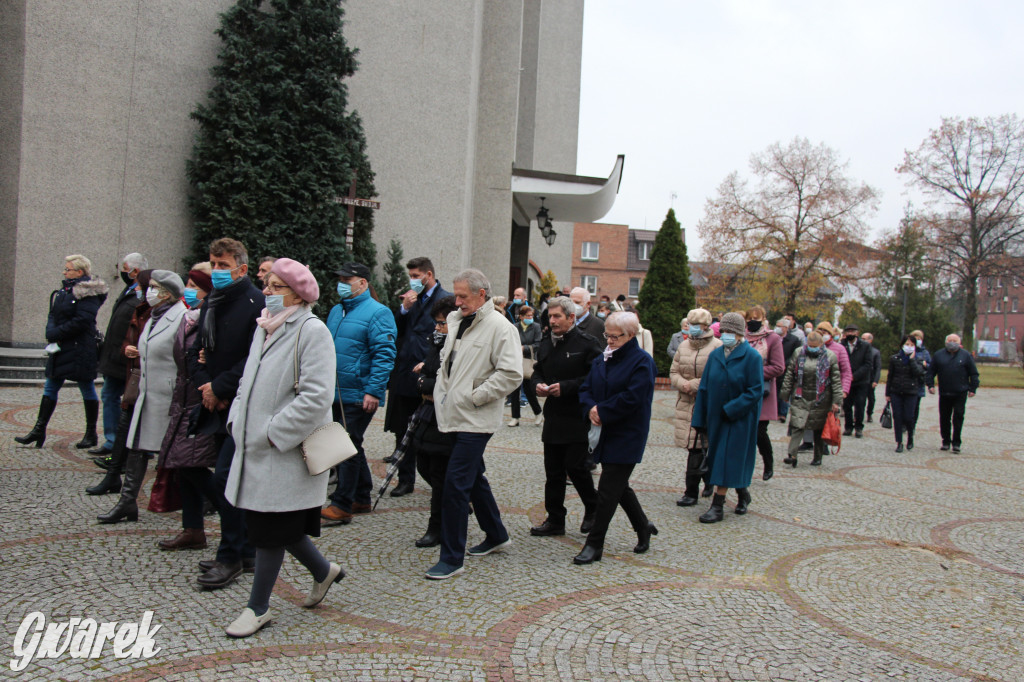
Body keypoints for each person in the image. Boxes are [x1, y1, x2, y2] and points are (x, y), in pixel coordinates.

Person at [222, 258, 344, 638]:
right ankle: (324, 572)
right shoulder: (265, 326)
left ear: (298, 293)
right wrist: (237, 420)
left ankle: (257, 608)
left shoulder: (312, 331)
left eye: (277, 287)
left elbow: (316, 396)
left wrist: (273, 433)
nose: (268, 292)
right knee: (279, 525)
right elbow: (247, 380)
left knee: (268, 530)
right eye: (268, 284)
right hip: (253, 445)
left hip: (283, 451)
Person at [426, 269, 522, 580]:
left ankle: (452, 557)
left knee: (456, 485)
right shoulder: (456, 320)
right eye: (456, 295)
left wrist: (474, 397)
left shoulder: (501, 328)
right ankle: (496, 533)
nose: (457, 301)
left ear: (482, 295)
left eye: (463, 296)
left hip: (475, 418)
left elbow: (510, 374)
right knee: (473, 477)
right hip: (453, 414)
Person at [189, 237, 265, 589]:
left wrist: (220, 388)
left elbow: (253, 357)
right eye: (213, 264)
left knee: (226, 479)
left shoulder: (256, 303)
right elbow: (199, 351)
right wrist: (206, 385)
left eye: (223, 265)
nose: (216, 271)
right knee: (226, 478)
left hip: (240, 402)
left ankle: (230, 555)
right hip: (214, 399)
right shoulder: (213, 302)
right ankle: (245, 548)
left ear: (241, 268)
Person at [98, 271, 187, 523]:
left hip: (169, 397)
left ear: (167, 293)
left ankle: (201, 503)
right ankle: (127, 502)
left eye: (155, 287)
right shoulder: (152, 317)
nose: (148, 291)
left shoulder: (182, 317)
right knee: (136, 447)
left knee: (175, 456)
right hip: (147, 394)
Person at [574, 312, 657, 564]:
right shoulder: (603, 358)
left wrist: (603, 411)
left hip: (626, 433)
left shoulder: (642, 362)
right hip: (602, 429)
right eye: (606, 335)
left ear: (631, 335)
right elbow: (587, 387)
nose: (608, 340)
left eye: (614, 336)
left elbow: (633, 398)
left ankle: (594, 544)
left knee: (608, 490)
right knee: (619, 486)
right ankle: (643, 526)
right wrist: (590, 408)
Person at [321, 262, 397, 524]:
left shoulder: (379, 312)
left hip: (358, 392)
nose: (341, 283)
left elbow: (385, 355)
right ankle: (361, 496)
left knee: (344, 447)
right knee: (351, 444)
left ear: (363, 283)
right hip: (335, 391)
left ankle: (342, 504)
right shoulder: (336, 310)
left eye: (347, 279)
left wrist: (374, 391)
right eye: (339, 278)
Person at [155, 267, 219, 551]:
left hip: (200, 400)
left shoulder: (209, 318)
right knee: (183, 466)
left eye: (194, 285)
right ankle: (192, 529)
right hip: (184, 398)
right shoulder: (189, 318)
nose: (188, 290)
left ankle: (233, 515)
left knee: (191, 466)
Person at [528, 297, 603, 537]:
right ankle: (555, 519)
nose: (552, 320)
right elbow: (537, 371)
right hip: (554, 416)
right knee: (553, 472)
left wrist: (567, 387)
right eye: (550, 316)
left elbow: (597, 378)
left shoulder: (588, 343)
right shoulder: (547, 343)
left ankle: (593, 507)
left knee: (576, 467)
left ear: (571, 317)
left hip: (578, 415)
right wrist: (538, 385)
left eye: (557, 316)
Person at [17, 255, 108, 449]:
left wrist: (56, 332)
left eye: (68, 269)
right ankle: (38, 430)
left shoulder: (88, 291)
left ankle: (91, 434)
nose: (64, 272)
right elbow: (53, 313)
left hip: (80, 348)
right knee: (50, 386)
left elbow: (83, 320)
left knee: (86, 387)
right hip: (61, 347)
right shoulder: (64, 290)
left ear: (80, 272)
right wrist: (50, 332)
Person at [384, 257, 449, 497]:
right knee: (402, 429)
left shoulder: (444, 298)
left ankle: (438, 482)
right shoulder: (410, 298)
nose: (412, 280)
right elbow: (396, 329)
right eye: (410, 276)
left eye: (415, 276)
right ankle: (405, 478)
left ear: (428, 275)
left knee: (426, 430)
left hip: (428, 371)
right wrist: (404, 309)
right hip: (405, 370)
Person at [691, 312, 764, 523]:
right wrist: (699, 419)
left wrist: (732, 409)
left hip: (739, 419)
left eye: (731, 331)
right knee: (723, 458)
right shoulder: (715, 356)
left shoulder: (752, 358)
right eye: (724, 331)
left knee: (727, 458)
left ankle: (717, 506)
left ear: (740, 334)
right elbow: (704, 388)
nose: (726, 335)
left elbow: (755, 390)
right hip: (716, 418)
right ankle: (743, 492)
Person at [86, 270, 154, 492]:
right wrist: (126, 349)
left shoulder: (157, 310)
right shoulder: (138, 304)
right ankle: (116, 472)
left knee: (135, 425)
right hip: (129, 367)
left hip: (147, 377)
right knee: (126, 416)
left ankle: (120, 471)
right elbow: (126, 334)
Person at [409, 296, 460, 548]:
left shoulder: (458, 345)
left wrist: (427, 383)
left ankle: (437, 527)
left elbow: (445, 382)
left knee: (440, 474)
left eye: (442, 324)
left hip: (447, 417)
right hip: (428, 413)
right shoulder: (436, 341)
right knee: (424, 465)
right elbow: (428, 375)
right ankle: (461, 500)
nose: (437, 329)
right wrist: (424, 383)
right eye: (436, 324)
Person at [91, 252, 147, 457]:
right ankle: (113, 440)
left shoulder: (143, 293)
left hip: (128, 358)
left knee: (129, 400)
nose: (122, 272)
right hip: (115, 355)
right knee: (110, 395)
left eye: (125, 268)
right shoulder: (130, 289)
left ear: (136, 271)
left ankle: (127, 442)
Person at [670, 308, 722, 506]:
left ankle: (700, 487)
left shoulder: (717, 347)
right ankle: (695, 487)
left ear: (706, 326)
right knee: (693, 447)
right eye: (690, 324)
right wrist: (682, 383)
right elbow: (673, 370)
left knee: (703, 446)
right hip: (685, 402)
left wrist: (693, 385)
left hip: (706, 403)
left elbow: (717, 374)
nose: (691, 328)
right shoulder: (684, 346)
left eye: (696, 325)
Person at [780, 332, 843, 467]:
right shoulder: (799, 353)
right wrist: (785, 394)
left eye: (814, 346)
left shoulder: (830, 357)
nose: (811, 348)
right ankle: (792, 455)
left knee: (818, 428)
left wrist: (836, 401)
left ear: (821, 345)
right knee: (797, 425)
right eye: (810, 345)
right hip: (800, 395)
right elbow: (790, 373)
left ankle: (818, 456)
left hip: (821, 398)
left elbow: (836, 381)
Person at [744, 306, 784, 481]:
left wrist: (754, 371)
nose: (753, 321)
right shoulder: (742, 337)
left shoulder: (773, 339)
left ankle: (768, 462)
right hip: (742, 389)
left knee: (759, 432)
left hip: (763, 391)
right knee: (744, 433)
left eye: (756, 318)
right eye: (750, 318)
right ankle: (744, 468)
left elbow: (778, 367)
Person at [927, 334, 979, 453]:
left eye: (954, 341)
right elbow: (931, 372)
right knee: (944, 417)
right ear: (945, 342)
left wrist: (973, 388)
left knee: (958, 416)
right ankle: (945, 441)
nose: (952, 342)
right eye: (949, 340)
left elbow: (973, 373)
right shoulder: (939, 355)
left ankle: (956, 442)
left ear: (959, 342)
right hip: (945, 392)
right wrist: (930, 385)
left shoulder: (966, 355)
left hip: (960, 392)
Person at [885, 335, 926, 452]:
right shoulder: (894, 358)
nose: (909, 347)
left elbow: (919, 373)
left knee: (909, 417)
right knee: (897, 416)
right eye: (907, 344)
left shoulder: (918, 359)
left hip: (911, 392)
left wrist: (912, 360)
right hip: (896, 391)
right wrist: (888, 393)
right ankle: (899, 442)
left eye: (912, 345)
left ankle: (910, 437)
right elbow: (890, 376)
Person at [508, 305, 543, 427]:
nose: (530, 318)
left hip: (528, 361)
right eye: (528, 316)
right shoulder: (514, 327)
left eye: (531, 315)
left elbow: (538, 343)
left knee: (529, 390)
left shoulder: (536, 327)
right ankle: (515, 417)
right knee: (514, 389)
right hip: (516, 361)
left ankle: (538, 412)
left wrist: (526, 348)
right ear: (521, 317)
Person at [840, 323, 872, 438]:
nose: (850, 333)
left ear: (857, 333)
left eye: (852, 331)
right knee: (847, 405)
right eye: (848, 331)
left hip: (861, 381)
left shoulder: (865, 346)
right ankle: (848, 427)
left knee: (860, 404)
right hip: (846, 381)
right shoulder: (842, 345)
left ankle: (859, 427)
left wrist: (855, 375)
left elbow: (868, 364)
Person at [775, 318, 801, 422]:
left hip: (787, 369)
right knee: (775, 391)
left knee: (785, 392)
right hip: (776, 369)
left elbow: (796, 355)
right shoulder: (774, 338)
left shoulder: (794, 340)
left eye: (779, 326)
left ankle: (782, 413)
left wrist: (785, 364)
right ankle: (775, 411)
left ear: (785, 328)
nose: (777, 328)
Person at [909, 329, 932, 432]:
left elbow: (931, 366)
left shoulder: (925, 353)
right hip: (908, 381)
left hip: (919, 382)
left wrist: (925, 364)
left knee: (916, 406)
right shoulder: (908, 350)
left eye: (920, 339)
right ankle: (906, 423)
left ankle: (912, 425)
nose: (918, 340)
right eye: (916, 338)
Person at [862, 332, 882, 422]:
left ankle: (869, 413)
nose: (862, 341)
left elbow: (878, 367)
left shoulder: (875, 352)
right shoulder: (860, 351)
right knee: (860, 398)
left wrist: (875, 380)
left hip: (871, 378)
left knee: (871, 398)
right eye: (861, 338)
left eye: (864, 339)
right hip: (861, 378)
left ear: (870, 340)